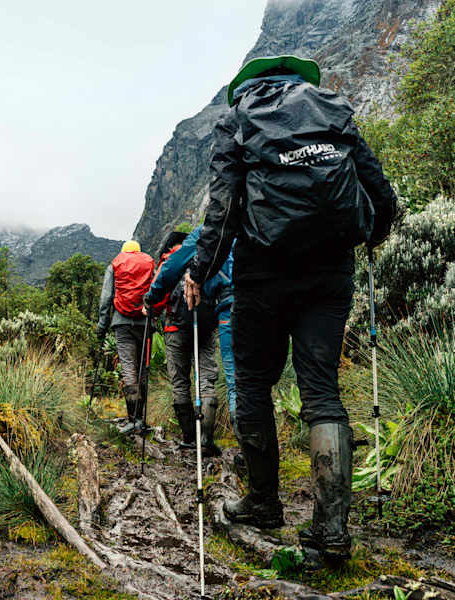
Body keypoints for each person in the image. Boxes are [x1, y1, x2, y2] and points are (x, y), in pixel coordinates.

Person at [181, 55, 397, 562]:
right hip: (331, 271)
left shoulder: (236, 122)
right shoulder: (332, 111)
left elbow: (224, 209)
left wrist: (199, 273)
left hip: (264, 273)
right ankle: (332, 530)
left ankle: (262, 503)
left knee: (254, 381)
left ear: (246, 88)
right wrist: (372, 236)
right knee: (321, 389)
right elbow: (380, 195)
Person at [143, 226, 235, 458]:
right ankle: (206, 440)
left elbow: (160, 294)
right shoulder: (210, 257)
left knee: (180, 381)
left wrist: (150, 304)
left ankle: (188, 438)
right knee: (206, 380)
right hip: (205, 325)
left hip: (175, 328)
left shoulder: (171, 261)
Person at [96, 240, 155, 434]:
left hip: (121, 323)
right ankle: (142, 421)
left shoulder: (115, 265)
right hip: (145, 324)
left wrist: (102, 326)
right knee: (143, 370)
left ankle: (133, 420)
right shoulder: (149, 264)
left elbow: (106, 298)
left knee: (129, 370)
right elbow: (157, 292)